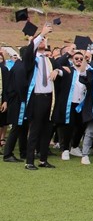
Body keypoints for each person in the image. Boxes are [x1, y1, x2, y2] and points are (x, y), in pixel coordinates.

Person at [20, 24, 59, 170]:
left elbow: (61, 67)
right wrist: (41, 34)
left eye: (44, 40)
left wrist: (58, 71)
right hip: (37, 97)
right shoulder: (31, 58)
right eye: (40, 40)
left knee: (47, 129)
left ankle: (43, 159)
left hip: (50, 98)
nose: (43, 41)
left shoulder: (48, 60)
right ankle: (29, 161)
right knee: (35, 129)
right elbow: (30, 49)